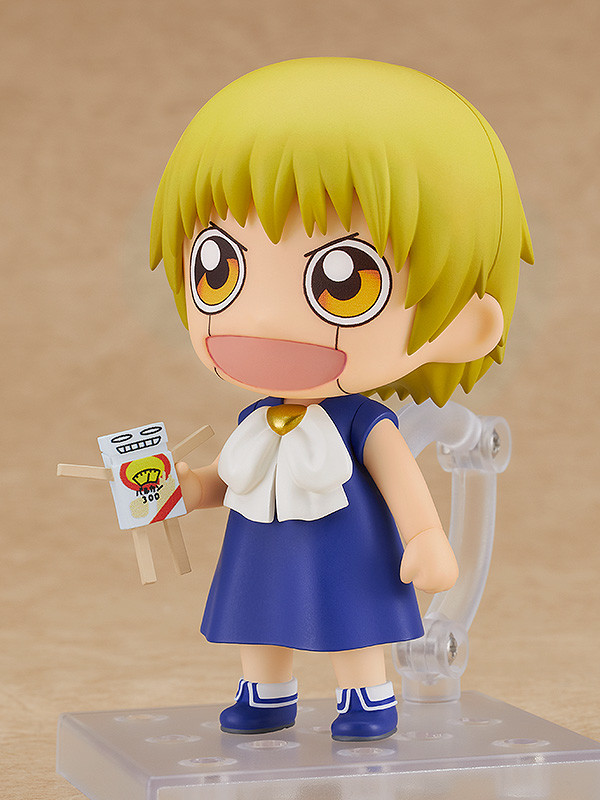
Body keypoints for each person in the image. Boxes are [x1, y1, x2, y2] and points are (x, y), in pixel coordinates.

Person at [149, 57, 533, 741]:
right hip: (260, 544)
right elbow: (231, 479)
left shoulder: (365, 422)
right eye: (218, 268)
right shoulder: (255, 416)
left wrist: (426, 541)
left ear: (464, 325)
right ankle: (266, 693)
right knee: (258, 616)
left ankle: (367, 697)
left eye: (344, 282)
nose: (263, 317)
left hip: (347, 547)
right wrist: (182, 488)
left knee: (353, 617)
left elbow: (404, 487)